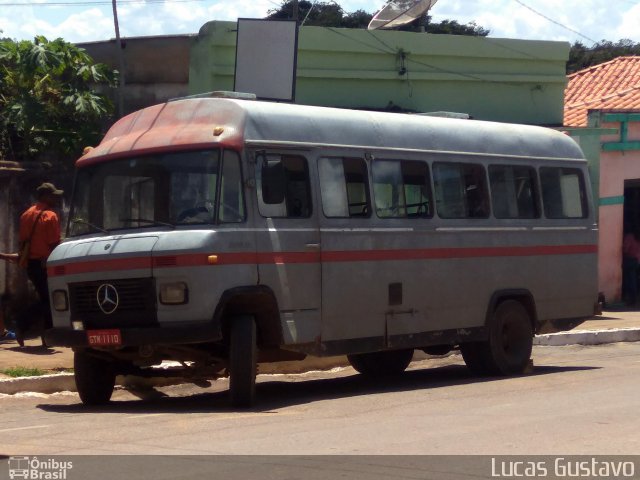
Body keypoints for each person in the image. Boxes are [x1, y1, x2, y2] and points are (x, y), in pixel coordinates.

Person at [14, 182, 63, 347]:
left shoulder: (26, 215)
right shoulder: (50, 216)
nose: (56, 198)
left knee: (47, 299)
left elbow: (23, 242)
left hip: (31, 264)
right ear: (44, 196)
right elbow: (53, 245)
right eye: (52, 195)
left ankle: (47, 336)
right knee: (50, 299)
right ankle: (23, 324)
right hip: (46, 263)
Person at [622, 228, 640, 306]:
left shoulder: (630, 236)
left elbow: (626, 249)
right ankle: (634, 298)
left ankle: (630, 299)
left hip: (628, 259)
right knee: (633, 280)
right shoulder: (637, 238)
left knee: (628, 280)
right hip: (636, 260)